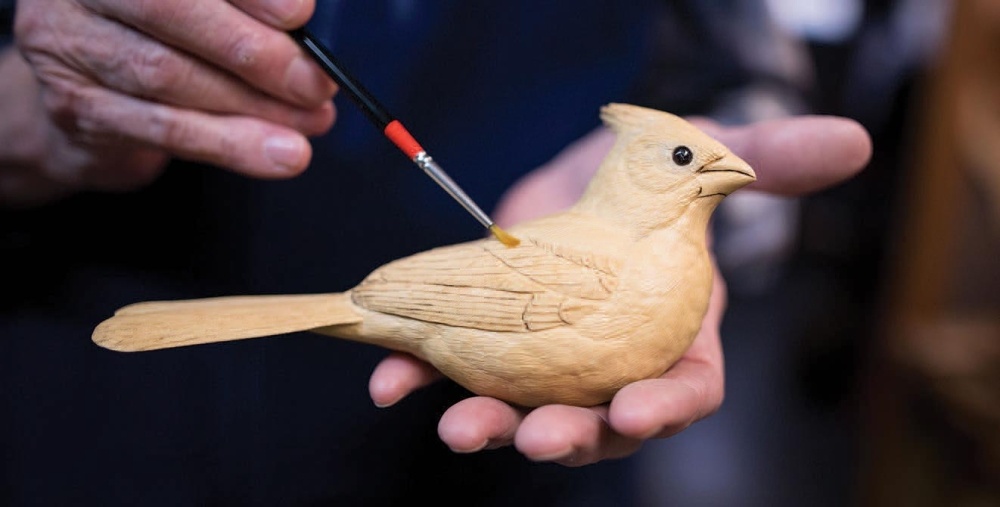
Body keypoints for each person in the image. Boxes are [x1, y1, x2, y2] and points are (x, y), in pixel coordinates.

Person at [0, 0, 872, 504]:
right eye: (684, 159)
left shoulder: (638, 248)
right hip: (87, 404)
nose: (709, 166)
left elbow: (734, 77)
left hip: (506, 480)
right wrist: (36, 116)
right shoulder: (604, 266)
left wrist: (738, 185)